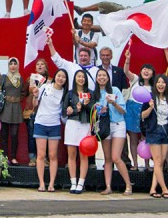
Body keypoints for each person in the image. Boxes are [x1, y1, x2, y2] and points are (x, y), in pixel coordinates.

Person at [94, 68, 132, 196]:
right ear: (96, 78)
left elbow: (123, 111)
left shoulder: (115, 90)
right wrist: (100, 111)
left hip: (118, 125)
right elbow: (93, 112)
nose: (102, 78)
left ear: (108, 78)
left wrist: (114, 103)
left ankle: (128, 184)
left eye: (104, 75)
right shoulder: (95, 93)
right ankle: (108, 186)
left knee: (116, 157)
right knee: (108, 158)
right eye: (99, 75)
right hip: (105, 127)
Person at [31, 69, 66, 192]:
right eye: (59, 76)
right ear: (55, 76)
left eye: (63, 77)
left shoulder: (64, 93)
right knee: (41, 155)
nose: (60, 78)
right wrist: (35, 95)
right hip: (40, 123)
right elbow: (34, 103)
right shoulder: (45, 87)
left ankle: (51, 183)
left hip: (54, 125)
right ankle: (41, 183)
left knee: (52, 155)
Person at [142, 74, 168, 198]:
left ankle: (152, 188)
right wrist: (150, 108)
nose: (161, 85)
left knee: (161, 162)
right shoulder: (150, 98)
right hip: (154, 131)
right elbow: (143, 116)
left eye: (163, 82)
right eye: (158, 82)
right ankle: (164, 189)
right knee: (157, 161)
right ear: (155, 84)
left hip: (166, 132)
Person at [0, 57, 26, 165]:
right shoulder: (3, 78)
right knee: (4, 134)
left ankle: (14, 157)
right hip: (5, 107)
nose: (13, 66)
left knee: (14, 134)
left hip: (16, 108)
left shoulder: (21, 78)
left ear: (18, 65)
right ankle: (4, 156)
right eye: (11, 64)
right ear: (8, 66)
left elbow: (23, 93)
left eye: (15, 64)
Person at [123, 49, 154, 171]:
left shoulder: (155, 85)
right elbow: (126, 71)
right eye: (144, 69)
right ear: (141, 72)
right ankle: (135, 164)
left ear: (153, 73)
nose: (146, 71)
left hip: (146, 112)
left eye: (149, 69)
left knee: (146, 139)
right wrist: (128, 59)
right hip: (132, 110)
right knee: (133, 139)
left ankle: (147, 164)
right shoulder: (135, 79)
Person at [63, 70, 93, 194]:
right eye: (78, 77)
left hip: (85, 124)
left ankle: (81, 182)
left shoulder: (90, 93)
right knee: (71, 155)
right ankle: (73, 182)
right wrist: (71, 110)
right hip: (72, 124)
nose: (81, 79)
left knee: (83, 155)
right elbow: (64, 110)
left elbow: (92, 110)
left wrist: (85, 106)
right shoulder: (70, 94)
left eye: (83, 77)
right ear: (75, 78)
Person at [24, 59, 50, 167]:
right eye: (38, 64)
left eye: (42, 64)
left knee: (45, 136)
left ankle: (45, 158)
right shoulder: (30, 79)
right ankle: (32, 158)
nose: (40, 66)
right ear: (35, 68)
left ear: (46, 67)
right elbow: (26, 92)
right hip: (31, 111)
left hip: (46, 112)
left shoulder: (51, 80)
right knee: (31, 135)